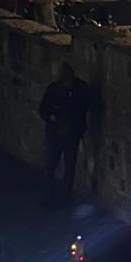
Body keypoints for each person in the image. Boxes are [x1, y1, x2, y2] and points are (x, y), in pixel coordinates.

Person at [39, 61, 91, 205]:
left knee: (69, 167)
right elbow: (43, 109)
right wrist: (52, 117)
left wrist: (78, 126)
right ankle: (49, 197)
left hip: (71, 135)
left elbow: (85, 106)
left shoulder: (80, 89)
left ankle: (64, 197)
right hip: (56, 135)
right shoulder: (54, 90)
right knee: (51, 166)